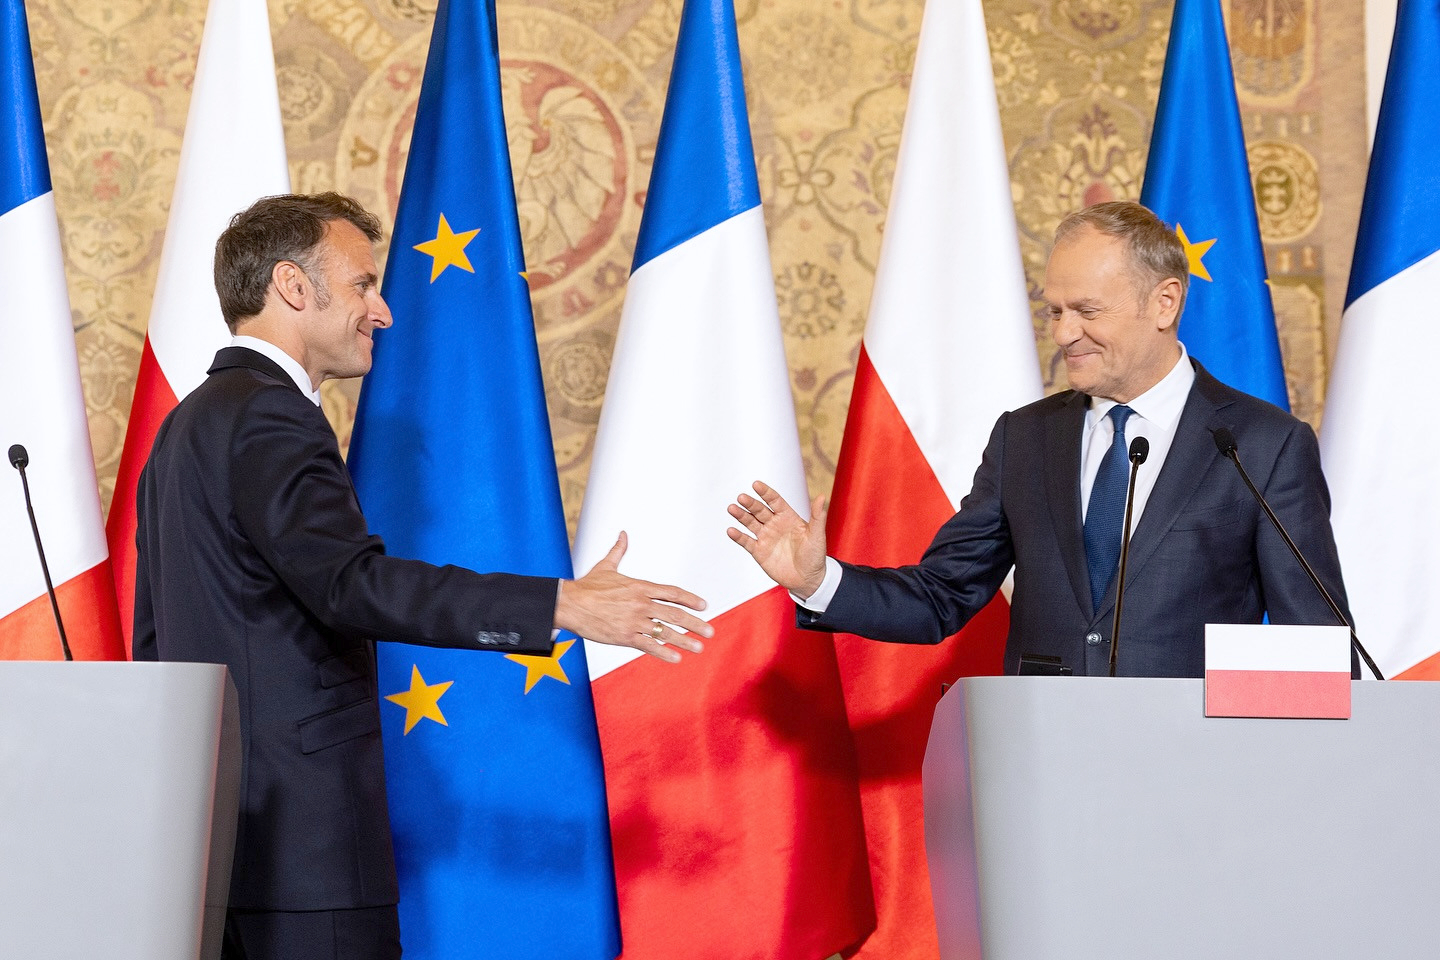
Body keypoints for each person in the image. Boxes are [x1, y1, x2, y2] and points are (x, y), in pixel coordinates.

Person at [131, 192, 711, 960]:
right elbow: (352, 586)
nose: (383, 312)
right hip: (307, 857)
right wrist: (559, 604)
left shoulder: (183, 427)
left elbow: (154, 642)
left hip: (217, 847)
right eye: (364, 284)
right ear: (293, 287)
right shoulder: (273, 415)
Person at [728, 200, 1351, 678]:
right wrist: (817, 581)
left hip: (1199, 775)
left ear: (1165, 303)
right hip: (1043, 769)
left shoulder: (1262, 446)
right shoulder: (1025, 439)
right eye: (1055, 311)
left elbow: (1316, 644)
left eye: (1087, 311)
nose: (1063, 333)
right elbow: (940, 596)